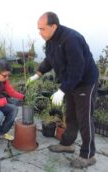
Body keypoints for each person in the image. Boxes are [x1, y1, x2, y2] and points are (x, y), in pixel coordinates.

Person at [27, 12, 99, 168]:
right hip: (71, 81)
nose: (40, 33)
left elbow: (77, 70)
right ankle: (67, 144)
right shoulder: (51, 40)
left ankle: (88, 155)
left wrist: (62, 90)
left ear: (54, 26)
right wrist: (38, 74)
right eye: (38, 29)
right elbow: (50, 59)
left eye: (42, 29)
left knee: (85, 118)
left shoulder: (71, 40)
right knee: (71, 115)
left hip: (85, 82)